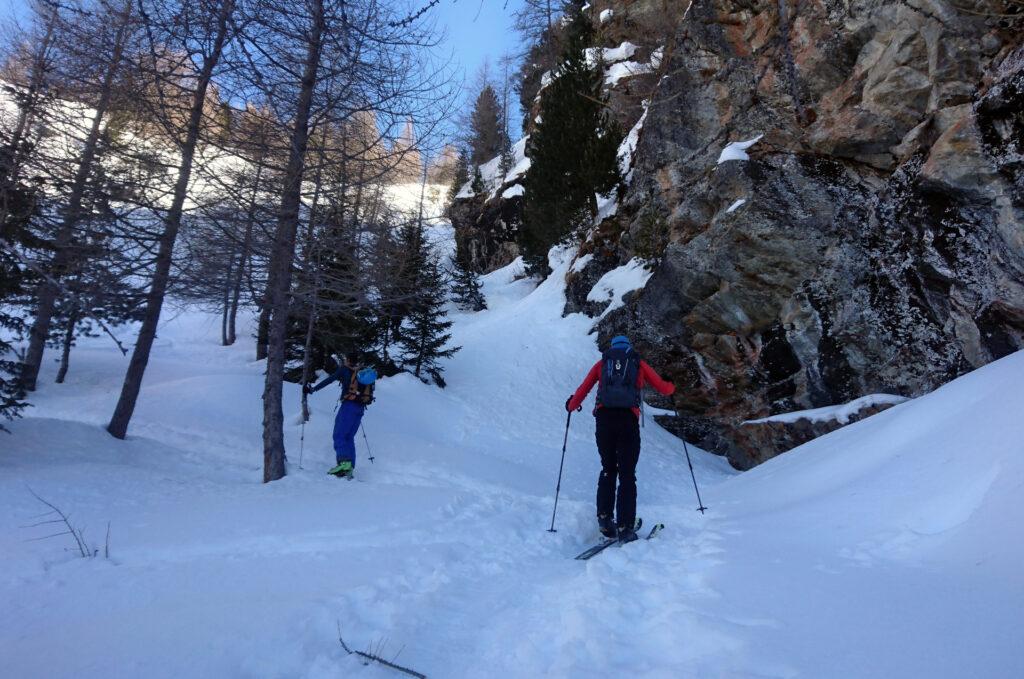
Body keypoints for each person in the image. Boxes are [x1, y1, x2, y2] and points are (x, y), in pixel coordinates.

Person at [565, 335, 675, 542]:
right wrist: (671, 384)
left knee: (608, 469)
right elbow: (664, 388)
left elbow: (584, 388)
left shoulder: (602, 364)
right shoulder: (637, 363)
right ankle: (625, 527)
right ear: (629, 347)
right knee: (627, 474)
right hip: (628, 422)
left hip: (604, 421)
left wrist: (571, 405)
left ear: (612, 347)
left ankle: (605, 519)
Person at [304, 351, 376, 478]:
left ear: (347, 359)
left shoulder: (345, 370)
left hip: (349, 406)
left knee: (339, 435)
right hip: (360, 408)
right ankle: (349, 467)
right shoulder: (362, 372)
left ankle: (344, 464)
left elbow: (330, 380)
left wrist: (313, 389)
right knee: (349, 437)